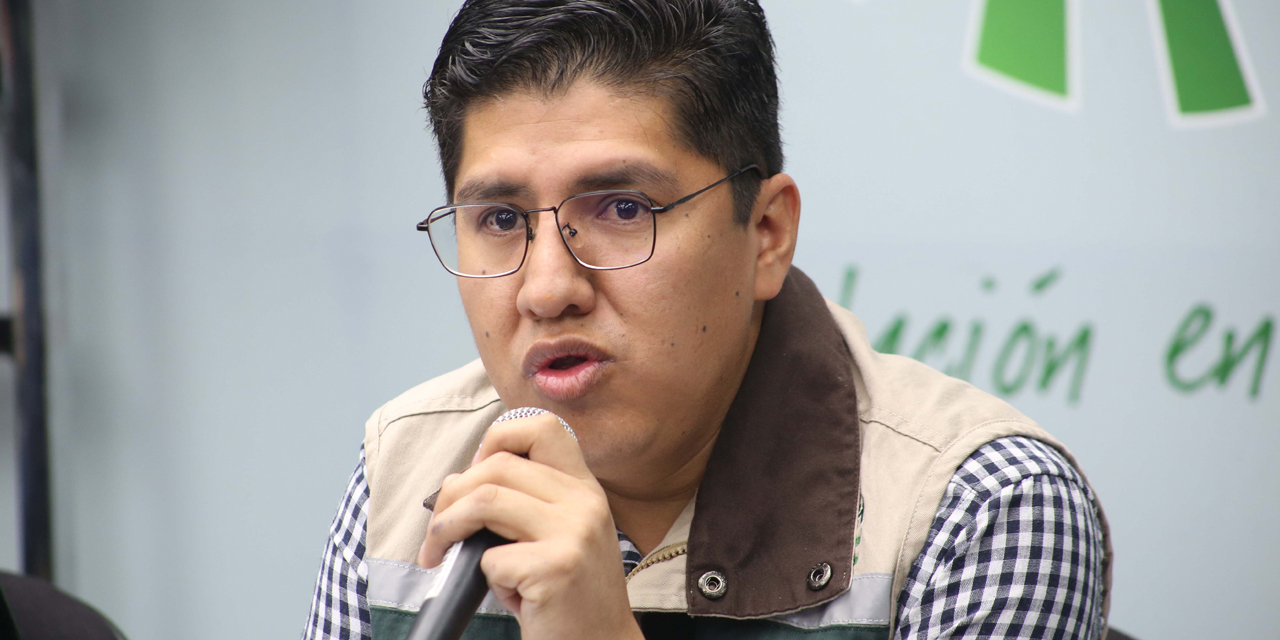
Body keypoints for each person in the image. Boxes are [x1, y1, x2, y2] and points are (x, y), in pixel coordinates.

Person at [303, 1, 1112, 639]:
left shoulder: (981, 506)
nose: (547, 290)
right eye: (503, 221)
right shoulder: (402, 471)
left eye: (622, 208)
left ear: (766, 235)